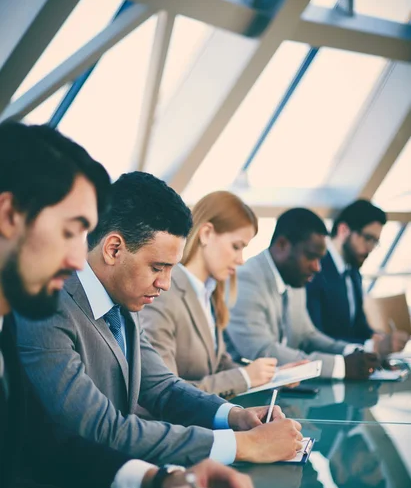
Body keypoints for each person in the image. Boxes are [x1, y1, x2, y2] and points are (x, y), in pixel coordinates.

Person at [0, 122, 256, 488]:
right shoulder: (39, 311)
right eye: (70, 231)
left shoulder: (93, 307)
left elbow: (50, 445)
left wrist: (158, 481)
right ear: (8, 216)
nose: (80, 258)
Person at [15, 172, 303, 467]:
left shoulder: (124, 300)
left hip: (124, 470)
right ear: (114, 249)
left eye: (170, 269)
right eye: (157, 268)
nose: (165, 283)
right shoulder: (49, 309)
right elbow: (102, 427)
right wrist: (242, 445)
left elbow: (163, 387)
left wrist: (233, 416)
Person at [141, 191, 287, 398]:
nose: (241, 260)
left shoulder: (207, 292)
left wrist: (274, 375)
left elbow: (217, 363)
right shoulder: (164, 293)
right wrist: (245, 377)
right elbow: (166, 392)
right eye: (236, 247)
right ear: (207, 233)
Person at [226, 208, 380, 380]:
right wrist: (339, 366)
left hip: (282, 389)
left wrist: (352, 352)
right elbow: (263, 352)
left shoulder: (294, 279)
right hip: (243, 397)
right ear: (282, 245)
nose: (317, 267)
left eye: (319, 259)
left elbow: (307, 335)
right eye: (311, 257)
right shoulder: (245, 279)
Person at [306, 199, 409, 355]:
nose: (370, 248)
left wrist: (375, 336)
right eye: (368, 238)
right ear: (343, 230)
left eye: (375, 242)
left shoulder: (353, 272)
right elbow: (315, 336)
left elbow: (357, 324)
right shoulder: (314, 270)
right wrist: (370, 346)